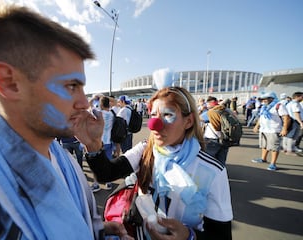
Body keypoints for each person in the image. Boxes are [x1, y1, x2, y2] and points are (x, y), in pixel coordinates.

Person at [0, 4, 131, 239]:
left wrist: (98, 230)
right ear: (9, 82)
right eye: (71, 86)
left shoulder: (60, 155)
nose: (84, 102)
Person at [74, 87, 233, 239]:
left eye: (168, 115)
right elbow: (106, 173)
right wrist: (93, 144)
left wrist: (189, 236)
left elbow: (221, 235)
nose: (154, 124)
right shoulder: (145, 149)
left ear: (189, 121)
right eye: (154, 115)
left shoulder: (212, 171)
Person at [251, 92, 290, 171]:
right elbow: (261, 117)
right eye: (263, 99)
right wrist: (257, 126)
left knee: (274, 147)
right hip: (264, 129)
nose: (264, 100)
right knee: (264, 145)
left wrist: (284, 129)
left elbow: (286, 117)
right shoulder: (264, 107)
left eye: (266, 98)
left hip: (274, 130)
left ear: (272, 98)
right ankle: (263, 158)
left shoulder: (279, 106)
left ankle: (273, 163)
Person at [91, 96, 114, 192]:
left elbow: (89, 106)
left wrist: (93, 98)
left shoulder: (98, 113)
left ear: (100, 104)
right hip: (109, 141)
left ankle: (96, 184)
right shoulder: (112, 114)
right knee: (107, 162)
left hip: (99, 141)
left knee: (96, 163)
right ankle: (108, 182)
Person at [203, 96, 230, 164]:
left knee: (208, 160)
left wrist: (202, 109)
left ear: (210, 103)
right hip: (226, 138)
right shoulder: (227, 110)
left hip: (212, 139)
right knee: (221, 161)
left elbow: (198, 118)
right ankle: (221, 173)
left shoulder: (210, 112)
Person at [285, 92, 303, 156]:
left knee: (288, 135)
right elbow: (296, 114)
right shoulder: (295, 104)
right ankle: (289, 150)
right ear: (297, 97)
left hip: (291, 120)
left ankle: (286, 148)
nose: (302, 98)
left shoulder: (290, 103)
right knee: (292, 136)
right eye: (302, 96)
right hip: (295, 121)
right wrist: (301, 122)